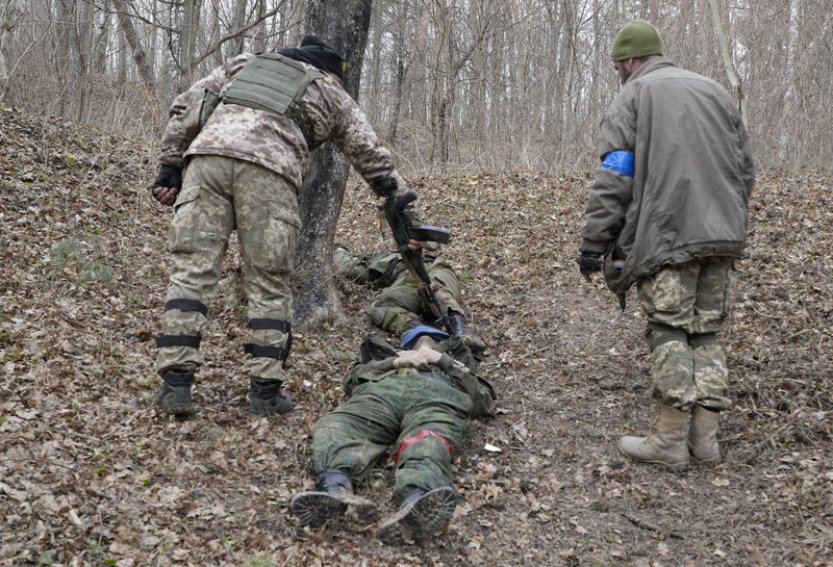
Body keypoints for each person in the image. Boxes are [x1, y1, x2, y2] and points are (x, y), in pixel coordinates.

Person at [149, 35, 416, 417]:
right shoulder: (329, 89)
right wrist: (394, 198)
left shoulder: (243, 63)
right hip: (270, 173)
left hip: (206, 164)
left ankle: (175, 386)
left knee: (191, 274)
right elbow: (368, 150)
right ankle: (265, 393)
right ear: (332, 71)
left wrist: (170, 167)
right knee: (270, 282)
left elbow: (186, 106)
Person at [577, 20, 755, 472]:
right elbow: (745, 169)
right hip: (722, 234)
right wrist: (728, 219)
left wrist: (593, 244)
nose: (620, 72)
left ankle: (669, 442)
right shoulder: (716, 92)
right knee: (706, 332)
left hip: (668, 234)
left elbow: (616, 176)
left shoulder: (633, 96)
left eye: (619, 65)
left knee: (670, 329)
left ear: (630, 61)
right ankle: (706, 441)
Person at [289, 331, 496, 544]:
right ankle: (335, 489)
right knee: (336, 426)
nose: (425, 340)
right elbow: (351, 380)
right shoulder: (386, 355)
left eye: (431, 337)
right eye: (418, 337)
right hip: (381, 394)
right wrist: (395, 361)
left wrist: (442, 360)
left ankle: (417, 501)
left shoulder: (454, 361)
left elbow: (483, 400)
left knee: (429, 440)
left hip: (438, 397)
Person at [332, 244, 486, 353]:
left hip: (433, 270)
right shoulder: (372, 263)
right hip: (405, 284)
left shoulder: (415, 246)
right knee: (380, 305)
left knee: (432, 287)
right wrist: (338, 249)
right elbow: (347, 268)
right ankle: (420, 334)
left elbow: (428, 237)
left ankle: (463, 330)